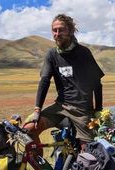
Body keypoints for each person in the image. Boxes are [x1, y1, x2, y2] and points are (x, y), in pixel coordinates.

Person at [24, 14, 104, 151]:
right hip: (60, 106)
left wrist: (98, 110)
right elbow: (44, 80)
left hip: (82, 110)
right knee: (28, 130)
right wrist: (37, 110)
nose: (57, 34)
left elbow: (96, 83)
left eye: (61, 30)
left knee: (87, 152)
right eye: (54, 30)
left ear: (70, 31)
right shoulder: (52, 54)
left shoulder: (83, 53)